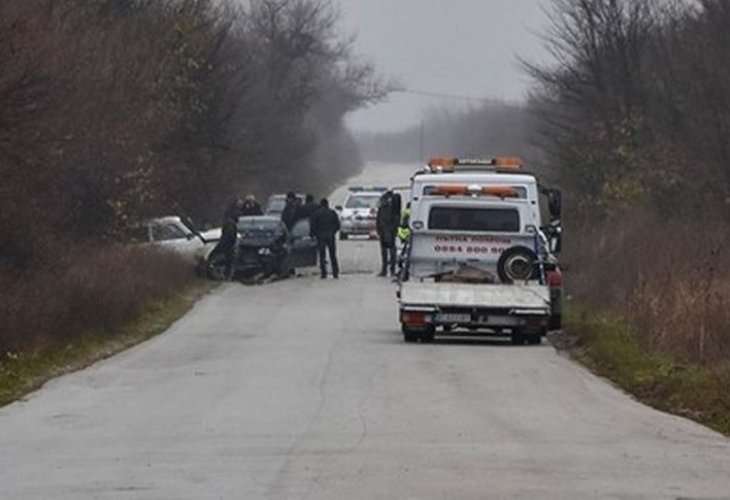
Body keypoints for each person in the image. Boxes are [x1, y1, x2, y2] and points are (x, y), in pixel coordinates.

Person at [213, 197, 244, 279]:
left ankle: (227, 274)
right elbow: (229, 234)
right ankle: (227, 274)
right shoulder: (230, 222)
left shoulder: (229, 214)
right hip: (228, 242)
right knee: (228, 258)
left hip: (227, 241)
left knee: (228, 258)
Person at [310, 198, 340, 279]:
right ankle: (335, 272)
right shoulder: (332, 212)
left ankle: (323, 273)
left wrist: (313, 234)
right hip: (330, 235)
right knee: (332, 254)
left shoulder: (316, 214)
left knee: (322, 255)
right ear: (327, 204)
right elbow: (337, 225)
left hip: (321, 236)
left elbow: (313, 225)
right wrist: (333, 232)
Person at [376, 192, 400, 277]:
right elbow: (378, 220)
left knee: (392, 252)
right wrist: (378, 230)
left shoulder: (392, 209)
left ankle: (392, 270)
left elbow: (396, 220)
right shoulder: (381, 209)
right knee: (384, 253)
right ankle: (384, 270)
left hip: (390, 233)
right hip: (383, 232)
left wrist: (393, 230)